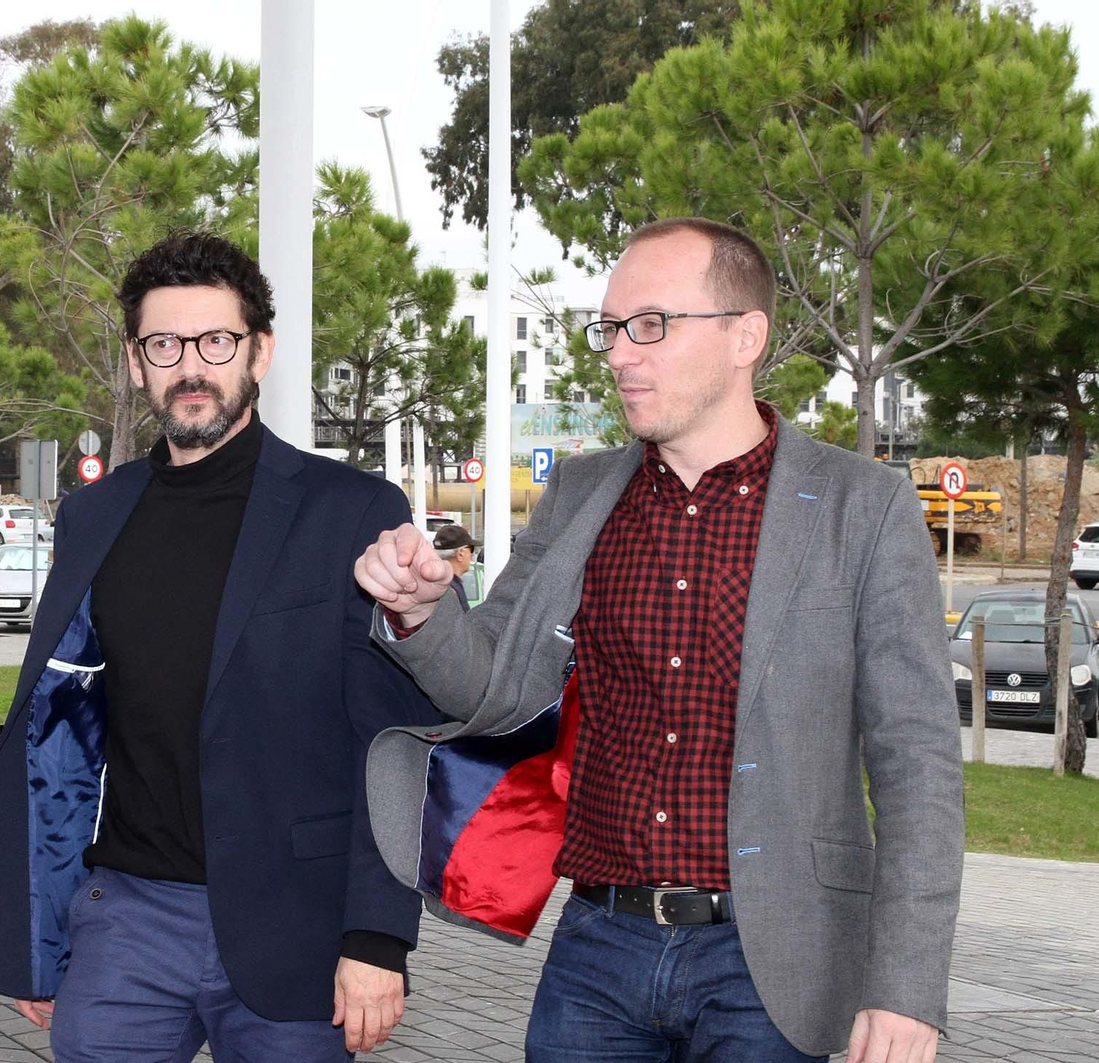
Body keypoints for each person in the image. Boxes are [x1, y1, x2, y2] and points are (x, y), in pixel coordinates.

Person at [354, 217, 963, 1063]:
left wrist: (904, 987)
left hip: (776, 960)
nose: (617, 353)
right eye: (610, 328)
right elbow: (490, 684)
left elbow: (919, 767)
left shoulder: (866, 507)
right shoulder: (578, 494)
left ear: (745, 336)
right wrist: (424, 609)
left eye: (651, 325)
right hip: (599, 949)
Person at [0, 232, 437, 1063]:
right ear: (136, 361)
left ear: (261, 350)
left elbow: (390, 742)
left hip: (301, 927)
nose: (191, 365)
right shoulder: (94, 518)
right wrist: (39, 932)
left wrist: (377, 936)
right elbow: (62, 730)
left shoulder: (351, 511)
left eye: (216, 341)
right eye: (164, 343)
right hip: (128, 920)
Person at [431, 524, 479, 612]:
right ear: (461, 553)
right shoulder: (452, 591)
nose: (472, 554)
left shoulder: (432, 583)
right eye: (471, 549)